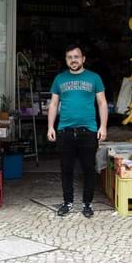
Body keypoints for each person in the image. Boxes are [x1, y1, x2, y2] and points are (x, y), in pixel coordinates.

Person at [47, 44, 108, 218]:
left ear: (83, 59)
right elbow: (53, 104)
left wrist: (103, 126)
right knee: (66, 169)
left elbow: (102, 103)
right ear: (66, 60)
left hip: (88, 131)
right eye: (70, 57)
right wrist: (51, 126)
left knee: (88, 169)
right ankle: (67, 202)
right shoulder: (59, 79)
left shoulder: (94, 78)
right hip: (65, 131)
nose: (73, 60)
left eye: (76, 57)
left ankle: (87, 204)